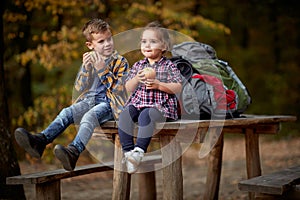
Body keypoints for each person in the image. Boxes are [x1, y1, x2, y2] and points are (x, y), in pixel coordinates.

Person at [14, 18, 129, 171]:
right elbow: (79, 87)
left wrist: (102, 69)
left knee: (89, 117)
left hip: (110, 104)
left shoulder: (121, 62)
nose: (107, 44)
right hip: (89, 100)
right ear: (90, 45)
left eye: (109, 39)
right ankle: (41, 141)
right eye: (101, 41)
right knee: (67, 112)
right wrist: (86, 68)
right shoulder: (90, 60)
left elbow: (119, 90)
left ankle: (74, 151)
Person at [118, 21, 182, 174]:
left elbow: (178, 87)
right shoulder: (138, 66)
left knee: (146, 116)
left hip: (160, 106)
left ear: (164, 46)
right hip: (138, 103)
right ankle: (129, 154)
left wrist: (160, 85)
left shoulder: (169, 66)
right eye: (144, 41)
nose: (147, 45)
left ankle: (139, 151)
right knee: (125, 114)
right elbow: (128, 88)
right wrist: (136, 80)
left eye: (153, 41)